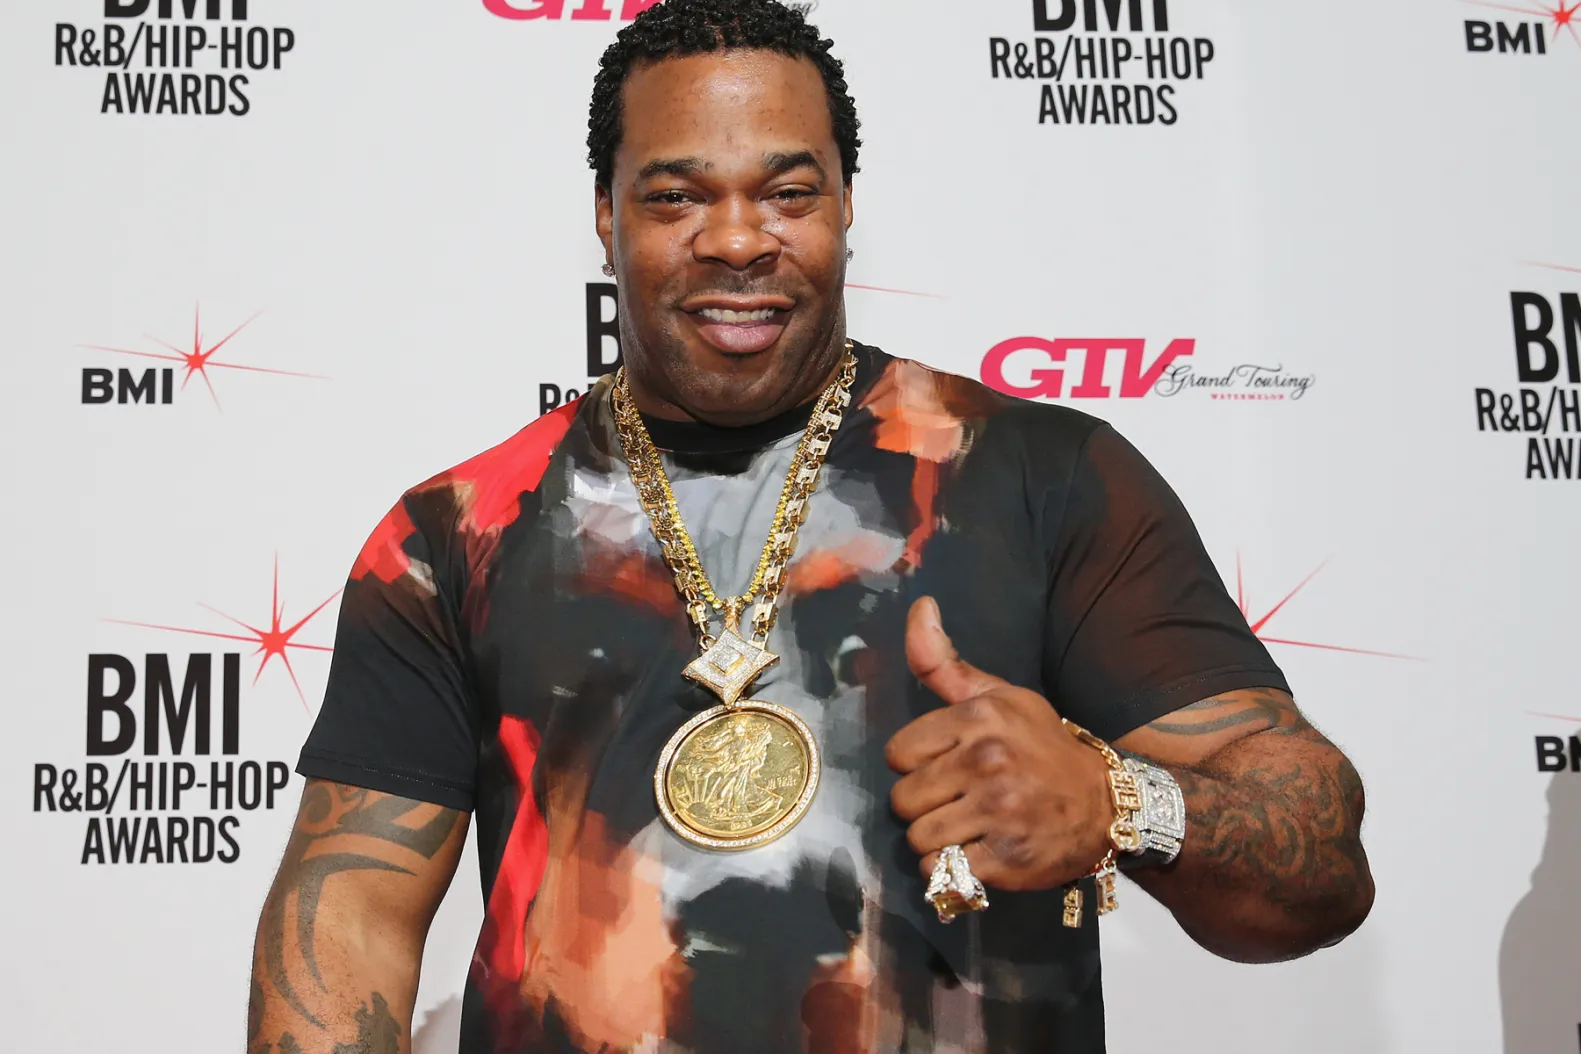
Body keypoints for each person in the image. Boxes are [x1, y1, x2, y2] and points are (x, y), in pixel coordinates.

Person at [247, 1, 1375, 1050]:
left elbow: (1322, 868)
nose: (738, 240)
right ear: (604, 214)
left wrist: (1122, 800)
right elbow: (353, 909)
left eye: (787, 193)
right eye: (677, 197)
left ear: (844, 204)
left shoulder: (1043, 476)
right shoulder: (457, 532)